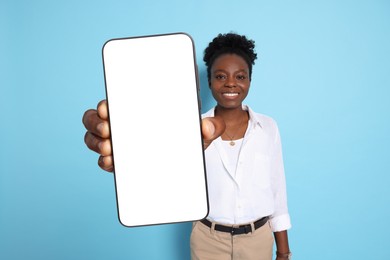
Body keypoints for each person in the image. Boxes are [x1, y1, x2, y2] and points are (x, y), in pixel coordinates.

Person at [83, 33, 292, 260]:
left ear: (249, 80)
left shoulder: (268, 127)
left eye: (240, 76)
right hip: (208, 239)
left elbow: (277, 193)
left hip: (258, 239)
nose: (231, 83)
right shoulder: (188, 129)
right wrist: (134, 160)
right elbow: (165, 175)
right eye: (221, 76)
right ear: (210, 81)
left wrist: (283, 252)